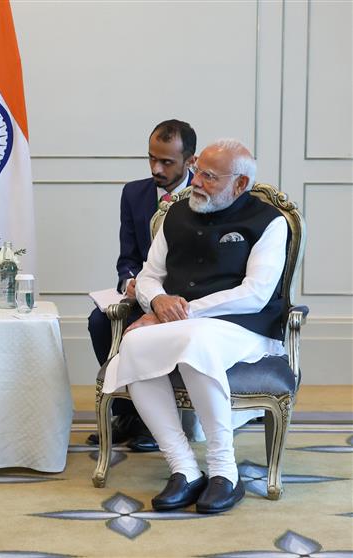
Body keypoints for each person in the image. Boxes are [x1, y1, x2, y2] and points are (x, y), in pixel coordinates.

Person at [102, 139, 288, 514]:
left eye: (209, 176)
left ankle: (224, 472)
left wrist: (180, 312)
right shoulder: (176, 213)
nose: (197, 182)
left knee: (195, 339)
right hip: (184, 326)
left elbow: (255, 294)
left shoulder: (269, 222)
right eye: (198, 170)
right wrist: (157, 301)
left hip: (244, 327)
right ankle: (184, 468)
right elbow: (149, 275)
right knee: (135, 343)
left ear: (240, 184)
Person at [87, 119, 196, 451]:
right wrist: (131, 281)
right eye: (151, 158)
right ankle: (128, 415)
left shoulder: (206, 194)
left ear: (190, 160)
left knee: (154, 334)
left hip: (186, 301)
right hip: (143, 295)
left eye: (166, 162)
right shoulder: (133, 194)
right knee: (99, 323)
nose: (156, 168)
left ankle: (157, 421)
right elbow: (127, 258)